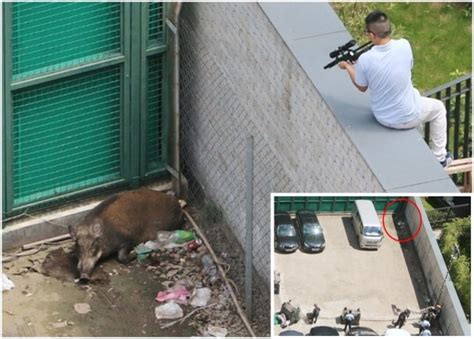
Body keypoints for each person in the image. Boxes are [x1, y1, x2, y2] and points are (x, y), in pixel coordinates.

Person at [338, 10, 452, 167]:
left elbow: (361, 86)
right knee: (438, 108)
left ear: (372, 35)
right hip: (407, 115)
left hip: (383, 117)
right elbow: (407, 67)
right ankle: (440, 158)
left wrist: (348, 67)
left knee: (416, 95)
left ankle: (427, 146)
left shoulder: (365, 59)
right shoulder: (404, 45)